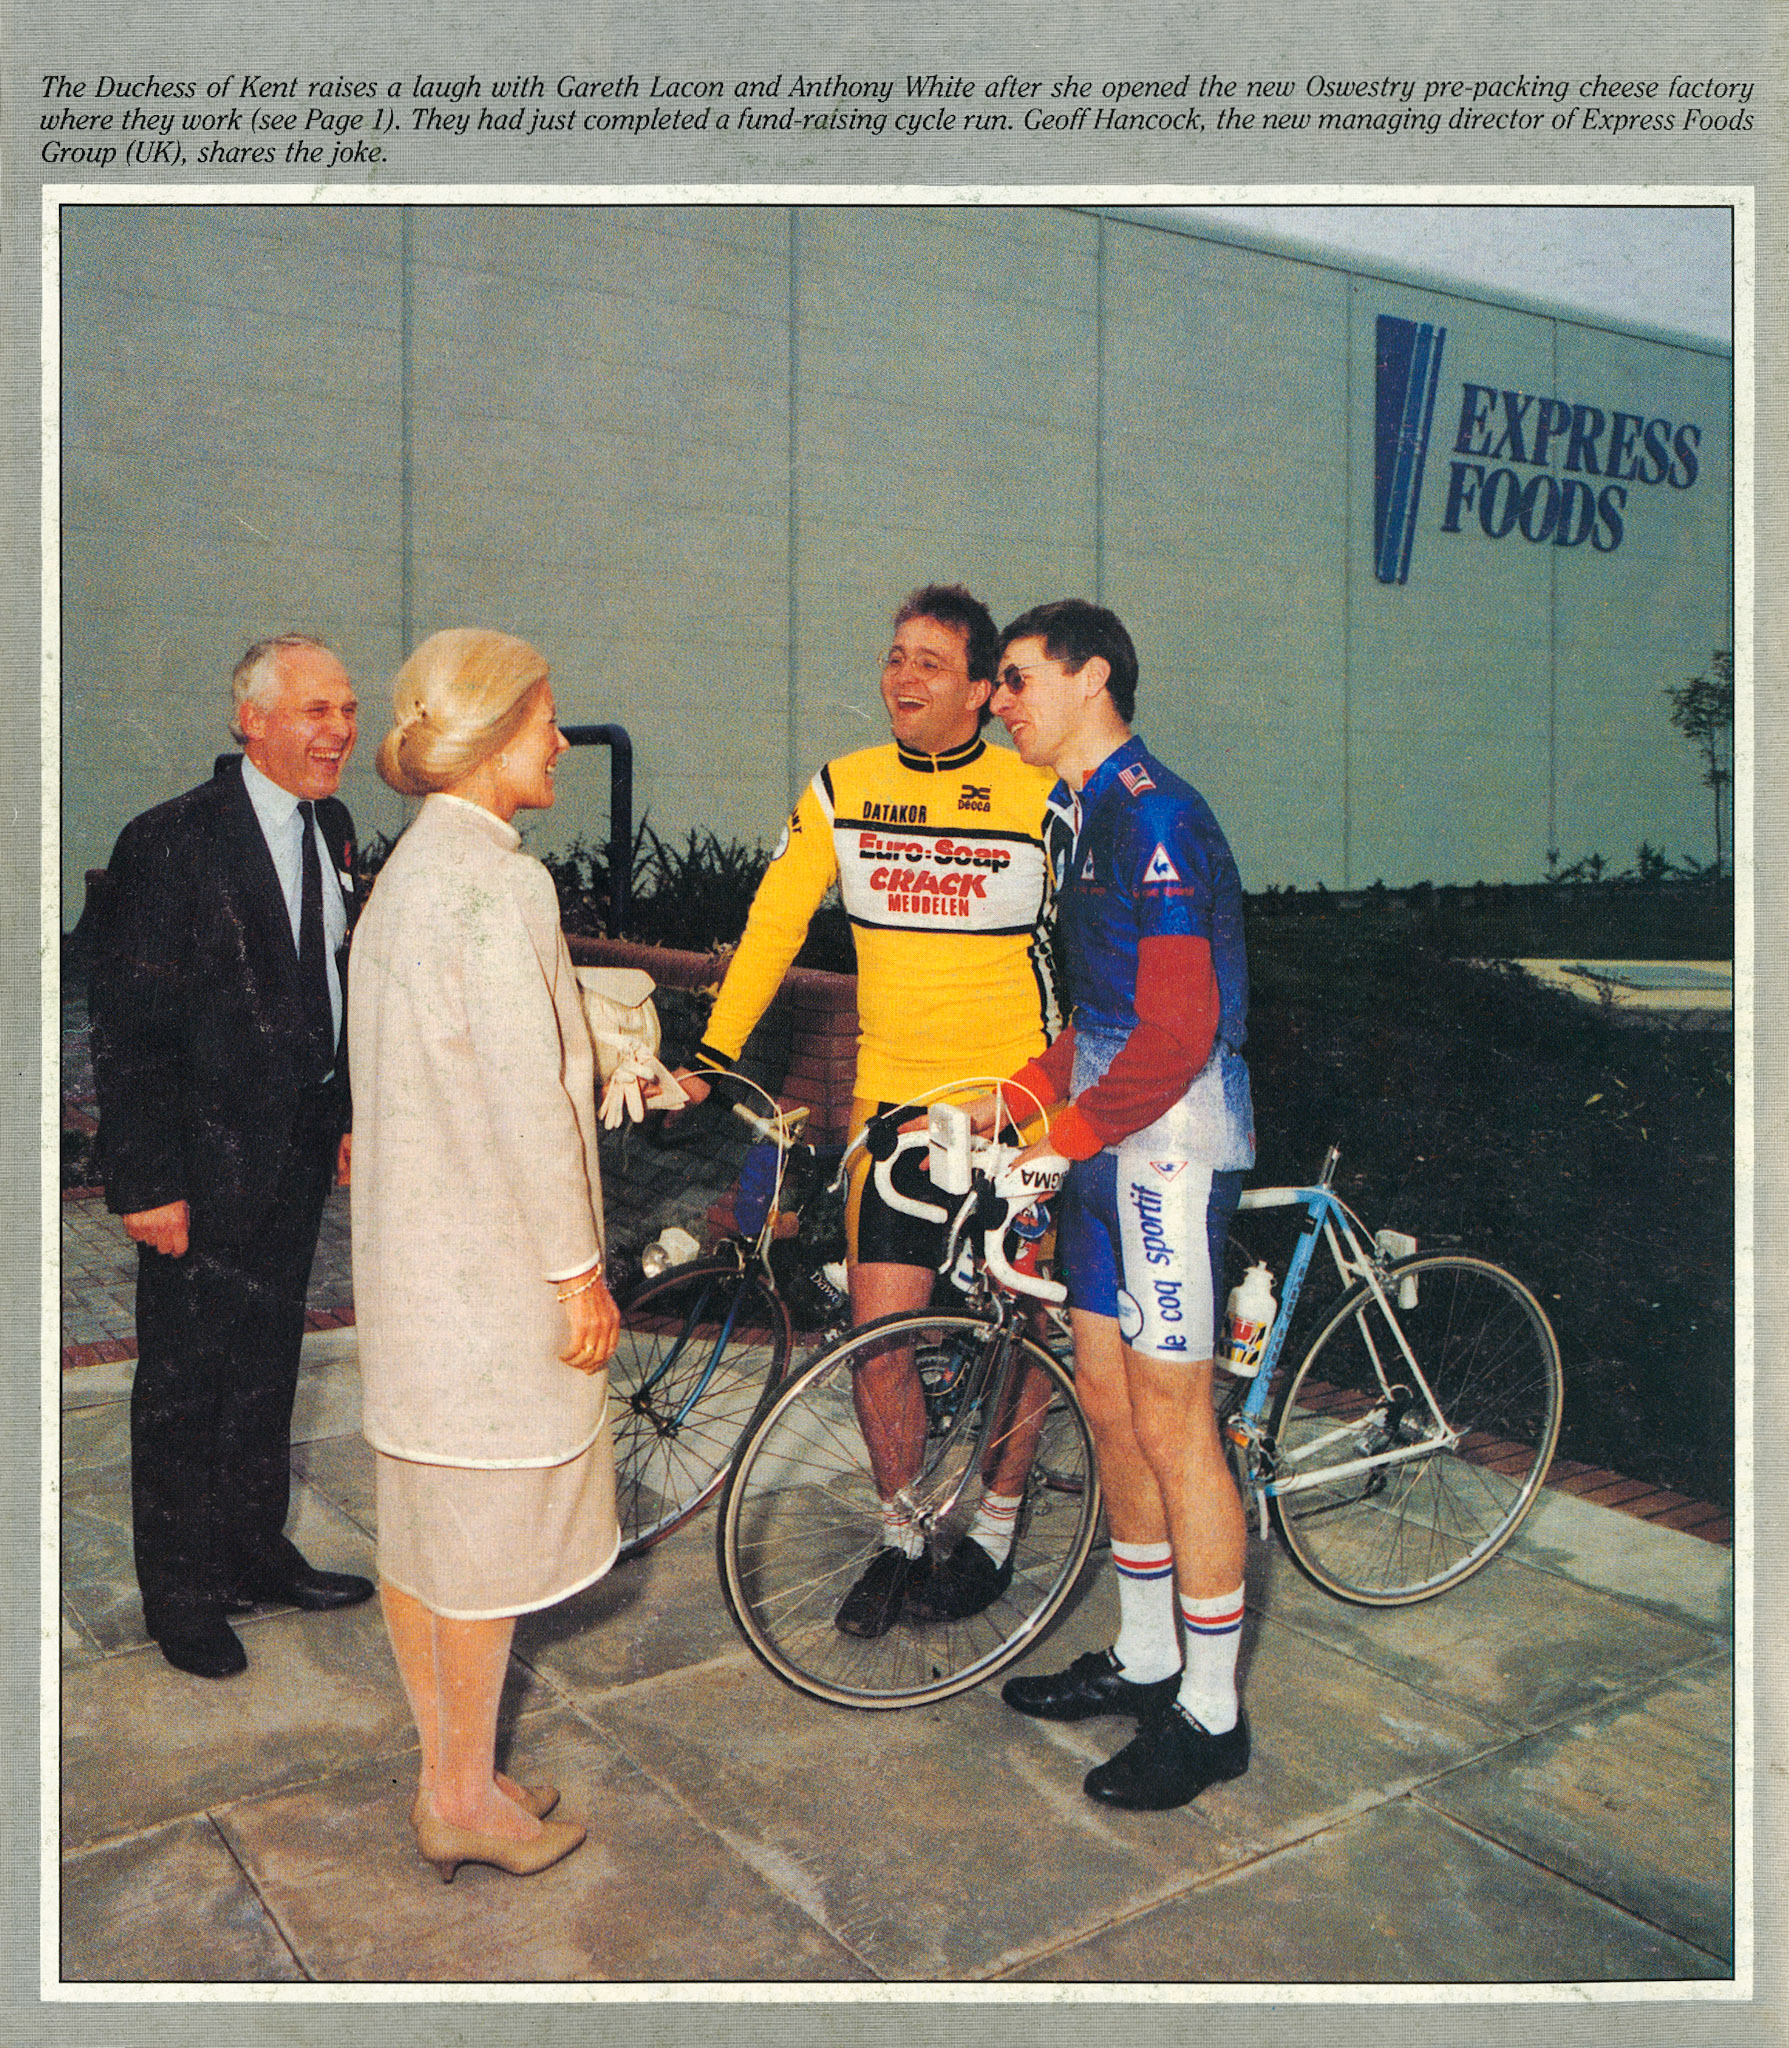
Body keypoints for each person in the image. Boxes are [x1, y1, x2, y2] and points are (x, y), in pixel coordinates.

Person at [668, 585, 1059, 1637]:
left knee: (1028, 1326)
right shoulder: (844, 786)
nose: (902, 677)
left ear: (983, 688)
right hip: (896, 1101)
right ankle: (898, 1535)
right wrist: (709, 1056)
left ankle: (995, 1525)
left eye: (931, 661)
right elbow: (772, 919)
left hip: (1020, 1104)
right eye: (894, 656)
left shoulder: (1040, 791)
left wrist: (1056, 1099)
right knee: (879, 1330)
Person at [349, 628, 619, 1883]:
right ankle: (460, 1793)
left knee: (425, 1532)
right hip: (495, 1276)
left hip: (415, 1274)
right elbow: (520, 1099)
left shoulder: (409, 874)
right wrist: (577, 1271)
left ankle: (450, 1768)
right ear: (493, 731)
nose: (560, 739)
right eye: (547, 717)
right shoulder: (504, 884)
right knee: (485, 1551)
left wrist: (612, 1066)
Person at [979, 599, 1256, 1812]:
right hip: (1105, 1139)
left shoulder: (1154, 813)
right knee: (1106, 1397)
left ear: (1092, 677)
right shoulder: (1078, 809)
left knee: (1175, 1417)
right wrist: (1019, 1100)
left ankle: (1212, 1708)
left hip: (1172, 1146)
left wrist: (1071, 1129)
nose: (998, 699)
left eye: (1015, 678)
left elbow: (1180, 1028)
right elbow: (1094, 1015)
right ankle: (1148, 1655)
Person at [90, 634, 374, 1681]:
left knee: (266, 1367)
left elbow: (329, 987)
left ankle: (254, 1551)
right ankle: (181, 1591)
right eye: (315, 710)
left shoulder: (331, 826)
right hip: (198, 1174)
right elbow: (129, 1029)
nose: (340, 729)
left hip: (295, 1155)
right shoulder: (169, 841)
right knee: (183, 1380)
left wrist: (341, 1112)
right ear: (250, 720)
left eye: (346, 708)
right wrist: (147, 1180)